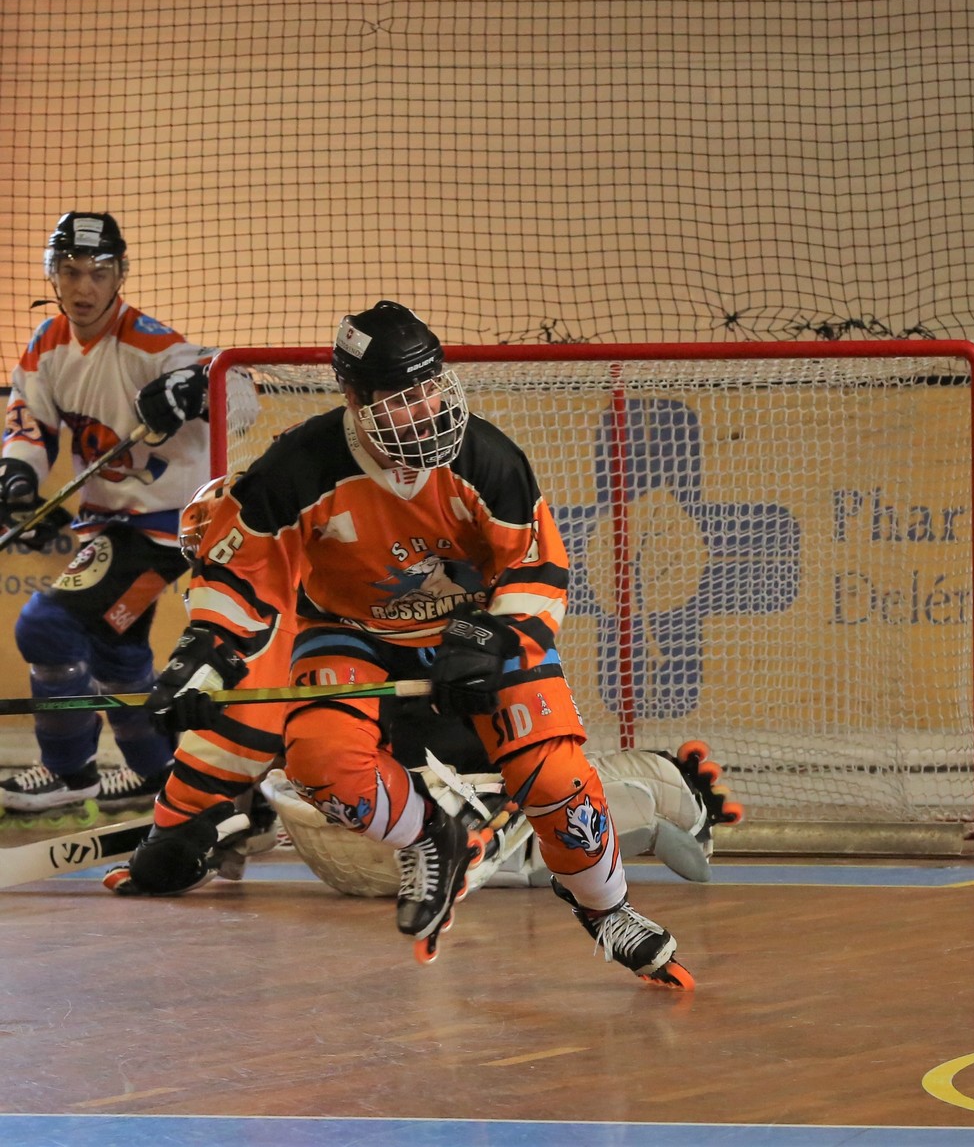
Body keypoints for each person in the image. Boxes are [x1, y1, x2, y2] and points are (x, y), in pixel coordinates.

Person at [142, 300, 705, 986]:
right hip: (350, 632)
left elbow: (535, 567)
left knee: (556, 778)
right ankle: (431, 835)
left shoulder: (488, 458)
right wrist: (202, 658)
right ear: (354, 397)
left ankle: (607, 908)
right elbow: (239, 575)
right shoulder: (294, 469)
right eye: (402, 397)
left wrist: (486, 636)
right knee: (321, 762)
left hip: (477, 627)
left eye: (431, 387)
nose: (427, 409)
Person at [0, 211, 251, 819]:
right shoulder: (48, 344)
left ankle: (68, 772)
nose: (83, 287)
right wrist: (17, 477)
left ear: (120, 275)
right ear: (53, 276)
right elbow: (29, 425)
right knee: (116, 654)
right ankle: (157, 774)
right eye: (70, 271)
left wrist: (194, 390)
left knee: (46, 628)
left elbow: (240, 389)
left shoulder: (150, 343)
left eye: (98, 272)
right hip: (111, 524)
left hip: (166, 529)